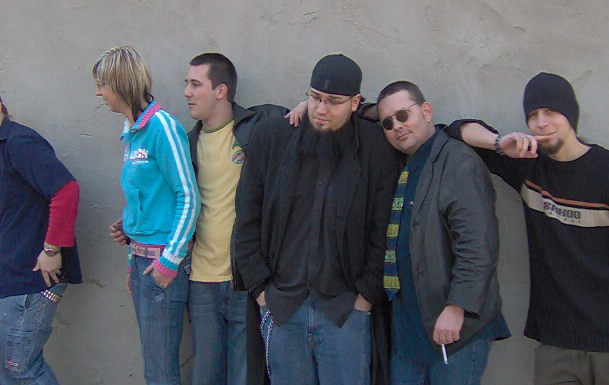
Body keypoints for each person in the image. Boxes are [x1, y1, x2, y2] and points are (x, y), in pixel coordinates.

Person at [447, 72, 609, 385]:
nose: (541, 123)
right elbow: (456, 131)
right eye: (533, 115)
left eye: (551, 112)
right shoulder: (529, 167)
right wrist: (499, 144)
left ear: (571, 114)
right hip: (555, 344)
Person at [234, 54, 400, 385]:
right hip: (282, 307)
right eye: (315, 97)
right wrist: (260, 292)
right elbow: (246, 218)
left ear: (355, 103)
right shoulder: (272, 138)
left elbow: (382, 230)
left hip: (345, 312)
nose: (321, 109)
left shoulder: (375, 148)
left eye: (334, 101)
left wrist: (365, 299)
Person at [376, 81, 510, 385]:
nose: (397, 126)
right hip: (408, 331)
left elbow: (478, 245)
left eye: (403, 115)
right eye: (388, 123)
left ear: (426, 111)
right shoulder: (405, 162)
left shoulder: (458, 161)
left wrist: (457, 306)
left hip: (455, 330)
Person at [94, 46, 200, 385]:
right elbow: (144, 198)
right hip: (142, 262)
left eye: (102, 84)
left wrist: (170, 259)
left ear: (120, 83)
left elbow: (188, 195)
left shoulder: (162, 127)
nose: (98, 93)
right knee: (154, 366)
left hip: (161, 263)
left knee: (161, 370)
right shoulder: (131, 131)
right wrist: (129, 239)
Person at [183, 52, 289, 385]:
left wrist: (304, 107)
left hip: (244, 280)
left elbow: (310, 117)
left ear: (221, 91)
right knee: (205, 375)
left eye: (195, 84)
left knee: (245, 376)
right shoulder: (187, 144)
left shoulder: (257, 128)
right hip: (201, 280)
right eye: (187, 84)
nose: (187, 92)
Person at [0, 95, 82, 384]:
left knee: (21, 370)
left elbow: (67, 190)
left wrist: (51, 250)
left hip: (30, 282)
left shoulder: (19, 143)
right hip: (13, 281)